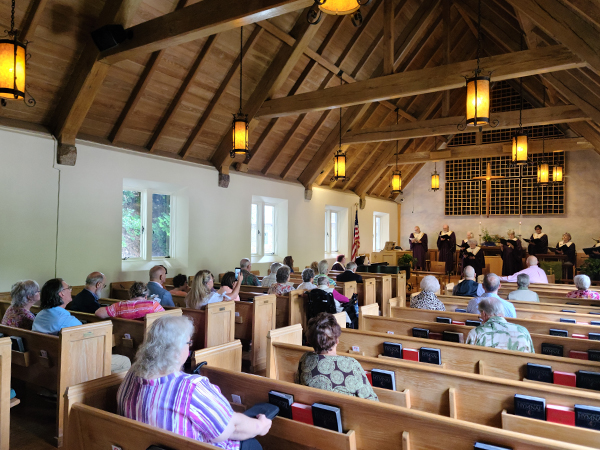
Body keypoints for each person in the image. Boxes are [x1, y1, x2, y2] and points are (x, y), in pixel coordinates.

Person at [117, 315, 271, 449]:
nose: (189, 349)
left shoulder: (131, 376)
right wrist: (260, 426)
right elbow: (230, 429)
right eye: (189, 343)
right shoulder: (190, 388)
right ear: (176, 350)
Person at [296, 312, 378, 401]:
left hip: (317, 410)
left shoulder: (305, 359)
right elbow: (372, 400)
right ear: (337, 340)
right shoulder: (351, 364)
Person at [466, 297, 534, 353]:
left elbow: (468, 359)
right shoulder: (523, 331)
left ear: (484, 314)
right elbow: (531, 359)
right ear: (502, 311)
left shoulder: (475, 333)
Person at [95, 282, 165, 319]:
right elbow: (166, 319)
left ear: (130, 294)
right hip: (147, 339)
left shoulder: (119, 306)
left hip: (124, 338)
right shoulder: (153, 305)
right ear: (146, 296)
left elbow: (98, 313)